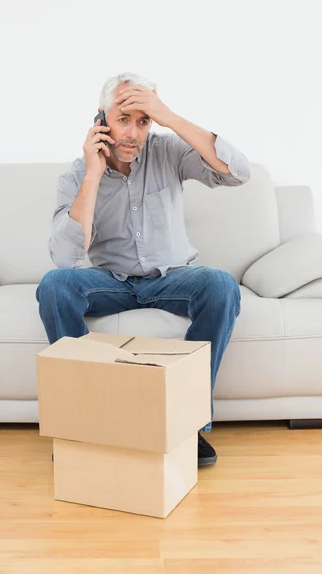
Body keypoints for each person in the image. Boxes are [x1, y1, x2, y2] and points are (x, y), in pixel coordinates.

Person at [36, 72, 251, 467]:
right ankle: (83, 421)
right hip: (109, 281)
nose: (134, 133)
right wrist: (93, 174)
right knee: (54, 285)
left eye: (143, 120)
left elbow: (237, 172)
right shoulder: (76, 175)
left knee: (220, 285)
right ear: (100, 119)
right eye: (124, 119)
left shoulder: (169, 152)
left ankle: (190, 425)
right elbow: (66, 259)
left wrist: (168, 116)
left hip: (173, 278)